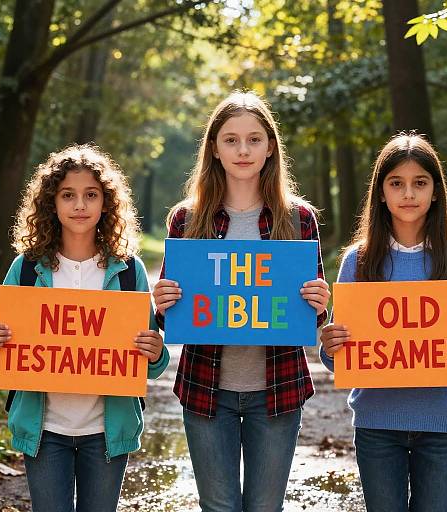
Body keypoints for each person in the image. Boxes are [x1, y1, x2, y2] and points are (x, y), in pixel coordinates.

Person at [153, 90, 330, 512]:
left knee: (266, 507)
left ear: (270, 147)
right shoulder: (187, 219)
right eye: (231, 139)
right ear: (214, 148)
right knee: (218, 507)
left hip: (278, 388)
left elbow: (317, 314)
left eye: (254, 139)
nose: (243, 149)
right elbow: (165, 317)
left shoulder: (298, 218)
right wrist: (160, 301)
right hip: (205, 389)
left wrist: (322, 301)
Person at [0, 144, 169, 512]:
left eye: (90, 195)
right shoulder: (26, 268)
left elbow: (153, 362)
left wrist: (154, 351)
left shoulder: (128, 270)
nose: (80, 205)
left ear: (106, 203)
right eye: (68, 195)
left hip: (106, 431)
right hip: (44, 430)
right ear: (52, 203)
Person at [320, 133, 447, 512]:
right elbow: (338, 359)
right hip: (377, 424)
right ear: (380, 192)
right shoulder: (358, 261)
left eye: (420, 182)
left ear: (436, 191)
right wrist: (330, 345)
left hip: (443, 423)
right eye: (396, 183)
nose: (408, 193)